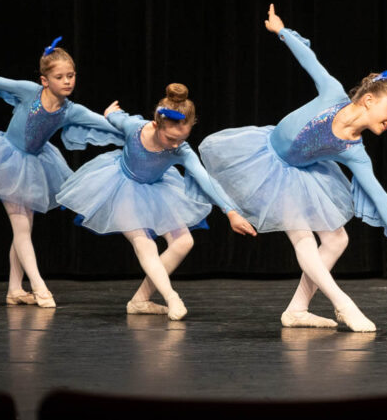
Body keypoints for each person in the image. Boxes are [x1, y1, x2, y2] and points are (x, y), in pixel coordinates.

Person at [199, 4, 387, 333]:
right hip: (267, 162)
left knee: (337, 240)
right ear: (369, 101)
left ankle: (297, 309)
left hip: (301, 174)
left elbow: (378, 191)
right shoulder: (333, 94)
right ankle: (344, 305)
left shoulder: (355, 150)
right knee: (304, 239)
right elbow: (310, 60)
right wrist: (281, 31)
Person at [0, 38, 123, 307]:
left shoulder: (70, 111)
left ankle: (15, 290)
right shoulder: (29, 92)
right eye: (60, 77)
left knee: (23, 229)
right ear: (44, 80)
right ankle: (39, 287)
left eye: (71, 76)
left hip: (36, 164)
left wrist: (140, 129)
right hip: (7, 159)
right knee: (21, 226)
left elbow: (106, 125)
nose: (67, 82)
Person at [56, 83, 256, 320]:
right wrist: (111, 113)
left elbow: (205, 180)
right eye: (171, 138)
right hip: (122, 187)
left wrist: (230, 212)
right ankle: (172, 297)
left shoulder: (181, 150)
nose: (175, 145)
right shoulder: (135, 129)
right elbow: (117, 118)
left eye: (181, 139)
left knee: (184, 242)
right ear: (155, 124)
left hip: (158, 190)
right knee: (145, 244)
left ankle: (140, 300)